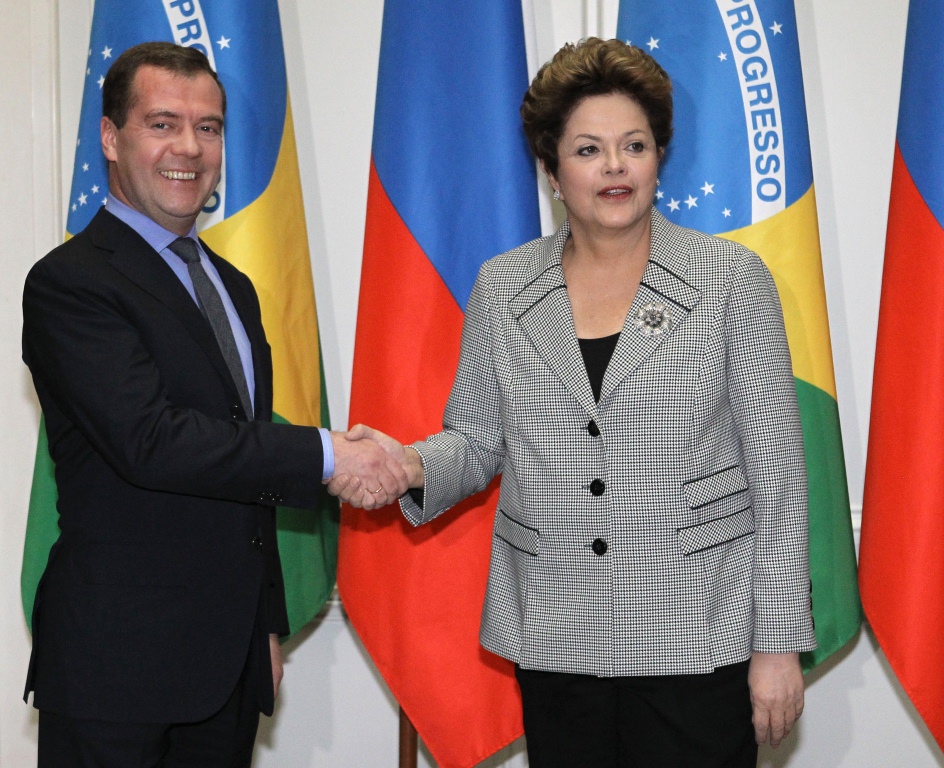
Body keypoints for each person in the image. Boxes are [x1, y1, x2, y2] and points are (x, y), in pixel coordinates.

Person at [337, 38, 816, 767]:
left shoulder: (730, 280)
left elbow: (778, 479)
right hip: (558, 636)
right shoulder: (504, 287)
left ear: (660, 157)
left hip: (698, 639)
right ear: (553, 169)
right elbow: (476, 439)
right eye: (590, 149)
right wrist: (405, 466)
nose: (615, 166)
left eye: (635, 145)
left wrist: (777, 642)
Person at [21, 41, 406, 768]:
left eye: (209, 127)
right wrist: (331, 454)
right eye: (162, 124)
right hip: (117, 674)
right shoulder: (70, 283)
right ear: (111, 137)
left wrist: (260, 624)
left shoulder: (234, 287)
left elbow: (241, 459)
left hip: (225, 669)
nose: (189, 149)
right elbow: (152, 441)